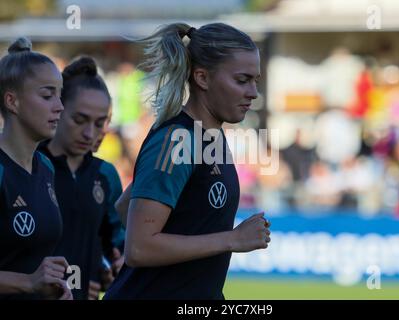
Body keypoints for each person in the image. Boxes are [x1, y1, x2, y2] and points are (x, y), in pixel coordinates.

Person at [104, 22, 271, 300]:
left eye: (256, 81)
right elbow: (139, 247)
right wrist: (232, 239)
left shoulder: (209, 137)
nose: (253, 92)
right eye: (242, 80)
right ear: (202, 78)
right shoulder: (176, 139)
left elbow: (125, 208)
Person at [39, 56, 124, 300]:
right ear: (58, 109)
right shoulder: (29, 165)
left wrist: (109, 270)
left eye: (99, 124)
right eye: (79, 120)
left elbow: (117, 246)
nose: (89, 133)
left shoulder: (105, 175)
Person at [0, 37, 72, 300]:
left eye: (60, 94)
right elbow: (29, 278)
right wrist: (28, 282)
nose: (60, 106)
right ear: (12, 101)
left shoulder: (45, 167)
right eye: (47, 95)